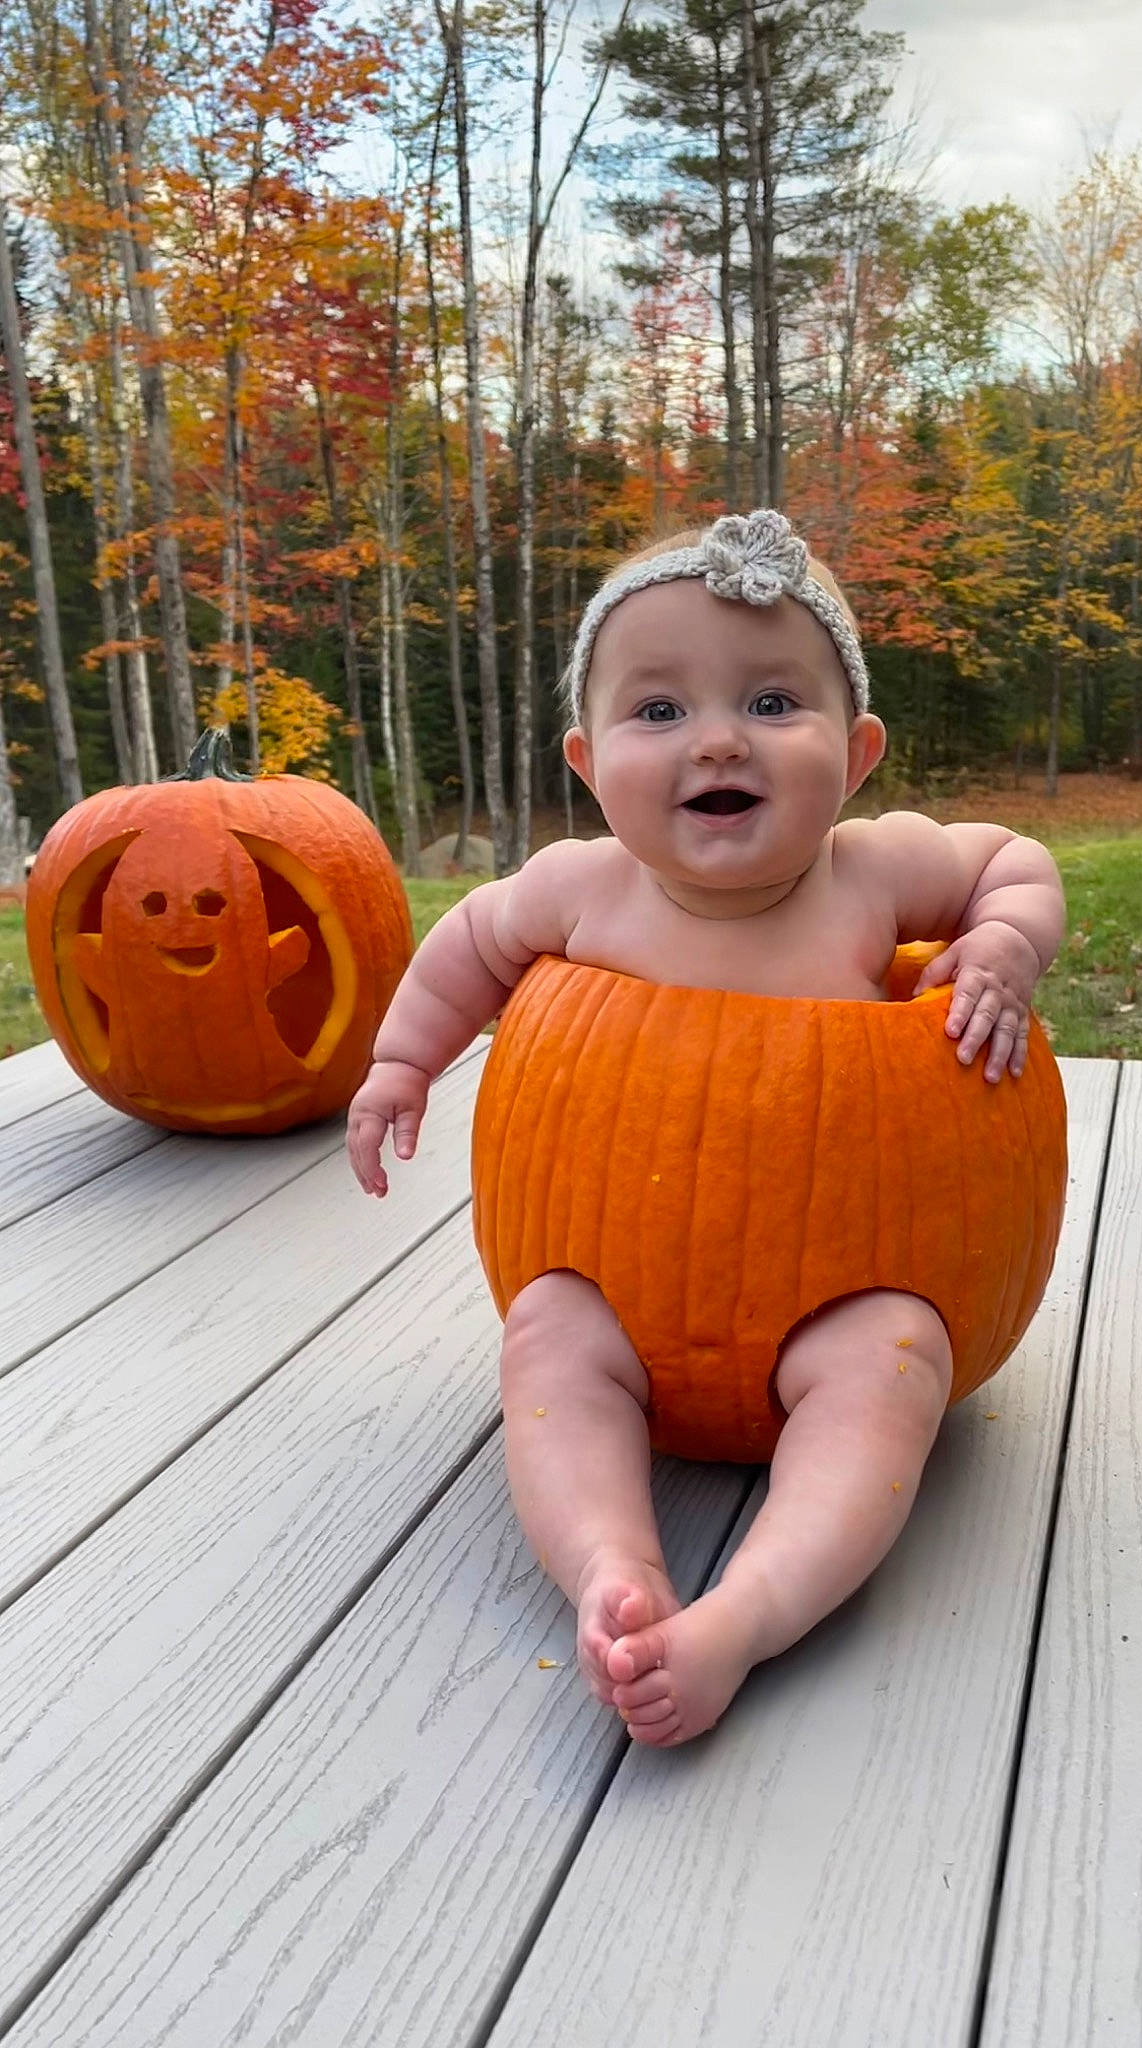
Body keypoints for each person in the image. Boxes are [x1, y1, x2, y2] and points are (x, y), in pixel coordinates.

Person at [348, 509, 1065, 1747]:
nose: (719, 738)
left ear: (856, 753)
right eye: (660, 711)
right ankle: (611, 1571)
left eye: (775, 702)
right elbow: (468, 941)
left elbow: (1014, 855)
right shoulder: (579, 892)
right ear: (588, 758)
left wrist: (1002, 938)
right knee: (545, 1331)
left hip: (851, 1280)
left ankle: (754, 1607)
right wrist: (403, 1059)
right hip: (618, 1283)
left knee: (894, 1357)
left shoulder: (875, 873)